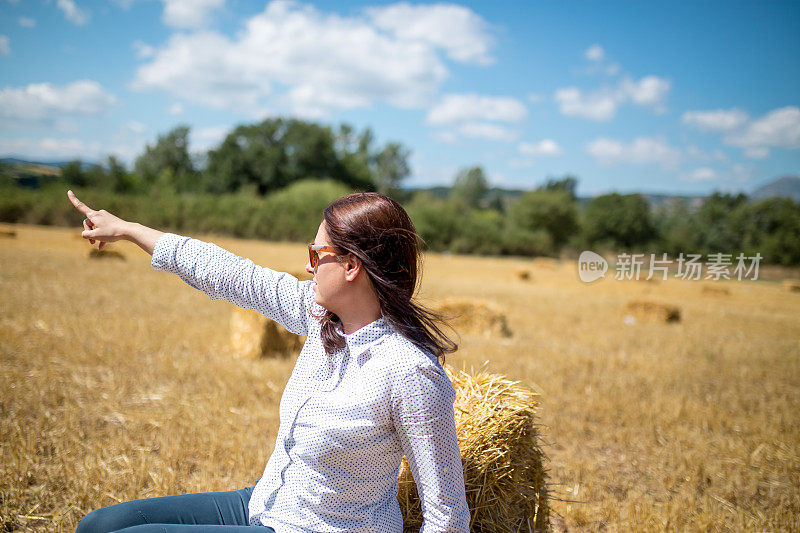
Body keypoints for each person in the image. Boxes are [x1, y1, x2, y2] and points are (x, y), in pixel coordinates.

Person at [68, 190, 470, 533]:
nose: (309, 263)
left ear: (352, 267)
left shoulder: (409, 372)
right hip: (266, 501)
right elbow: (230, 273)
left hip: (313, 527)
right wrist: (130, 230)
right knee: (97, 525)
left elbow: (447, 515)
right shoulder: (319, 320)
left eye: (317, 252)